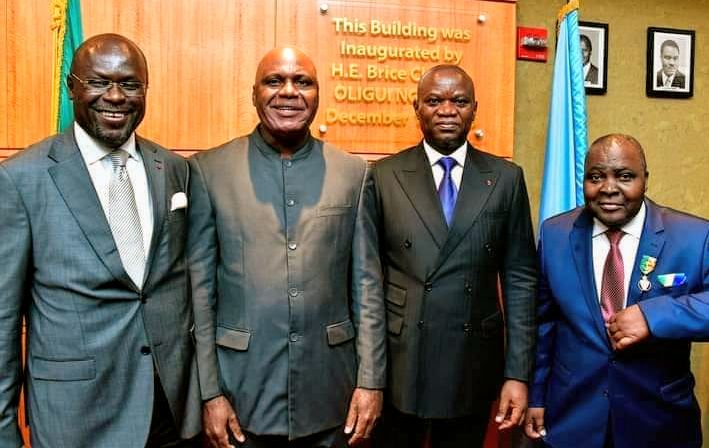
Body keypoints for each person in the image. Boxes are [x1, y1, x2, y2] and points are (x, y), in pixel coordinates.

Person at [0, 34, 201, 447]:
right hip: (76, 418)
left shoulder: (174, 169)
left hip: (169, 413)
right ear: (71, 87)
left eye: (129, 84)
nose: (115, 96)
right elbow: (3, 321)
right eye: (98, 82)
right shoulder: (22, 179)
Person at [188, 47, 386, 448]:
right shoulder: (209, 171)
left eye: (303, 82)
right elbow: (200, 293)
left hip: (331, 390)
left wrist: (371, 382)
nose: (289, 92)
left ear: (318, 95)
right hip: (241, 391)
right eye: (274, 81)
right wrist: (209, 393)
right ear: (254, 93)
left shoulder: (353, 173)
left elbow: (367, 288)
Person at [369, 64, 538, 447]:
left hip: (472, 359)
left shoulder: (505, 178)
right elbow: (366, 278)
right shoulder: (384, 175)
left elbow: (521, 280)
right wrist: (368, 373)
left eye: (459, 101)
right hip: (401, 359)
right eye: (434, 101)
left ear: (474, 108)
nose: (447, 110)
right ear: (416, 108)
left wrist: (518, 373)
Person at [525, 134, 709, 447]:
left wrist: (653, 316)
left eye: (624, 176)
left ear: (645, 180)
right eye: (596, 177)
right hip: (573, 416)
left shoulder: (694, 236)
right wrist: (537, 397)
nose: (608, 188)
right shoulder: (555, 233)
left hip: (658, 419)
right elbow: (545, 324)